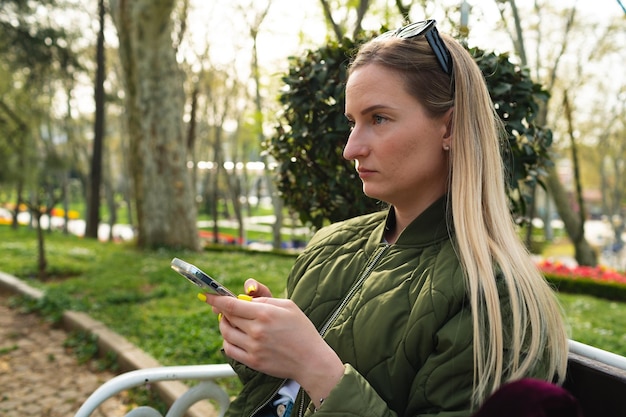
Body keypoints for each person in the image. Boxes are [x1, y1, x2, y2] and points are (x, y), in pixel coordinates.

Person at [201, 19, 569, 417]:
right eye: (352, 122)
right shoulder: (331, 245)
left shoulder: (493, 297)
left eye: (378, 118)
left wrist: (313, 364)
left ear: (449, 126)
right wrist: (262, 342)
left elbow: (316, 377)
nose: (351, 148)